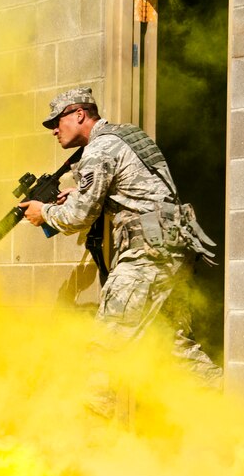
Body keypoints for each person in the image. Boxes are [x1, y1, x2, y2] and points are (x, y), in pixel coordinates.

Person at [18, 86, 222, 417]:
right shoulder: (126, 137)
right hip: (169, 251)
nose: (55, 130)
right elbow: (138, 192)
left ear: (79, 115)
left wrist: (45, 213)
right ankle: (236, 422)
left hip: (146, 256)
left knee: (103, 350)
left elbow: (80, 217)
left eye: (58, 121)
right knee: (173, 349)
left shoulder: (99, 149)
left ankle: (97, 446)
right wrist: (79, 194)